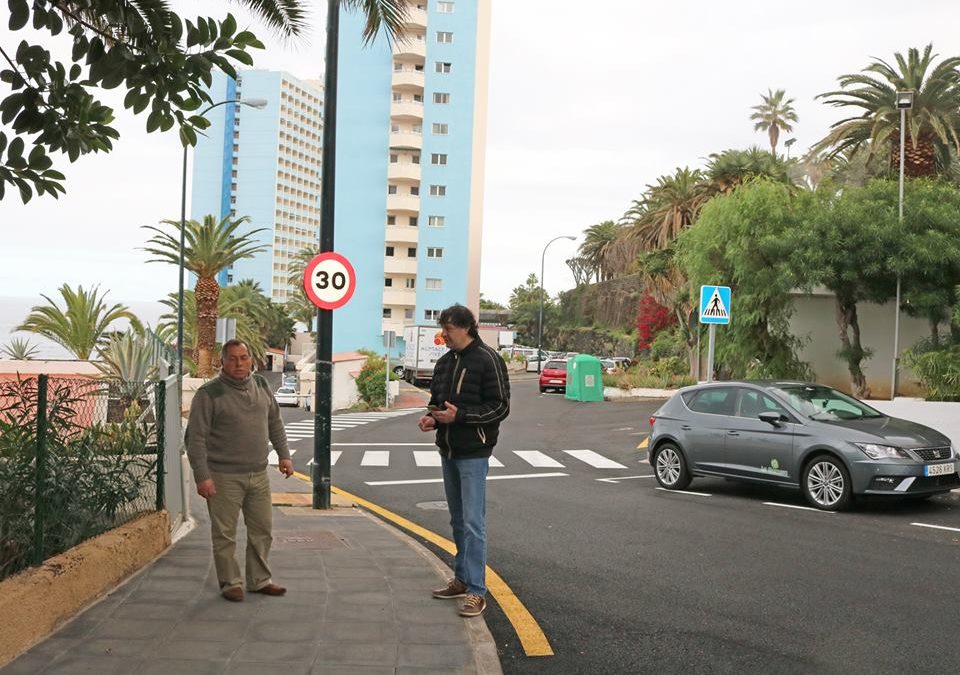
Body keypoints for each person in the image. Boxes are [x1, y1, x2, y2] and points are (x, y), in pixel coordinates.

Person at [418, 304, 510, 617]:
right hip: (448, 449)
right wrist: (432, 418)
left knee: (473, 523)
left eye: (448, 329)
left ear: (466, 328)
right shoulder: (445, 363)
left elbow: (500, 407)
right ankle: (461, 579)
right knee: (457, 520)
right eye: (442, 329)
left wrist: (462, 416)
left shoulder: (489, 360)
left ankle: (476, 591)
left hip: (474, 451)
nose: (443, 335)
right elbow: (436, 400)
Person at [186, 339, 294, 602]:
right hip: (223, 477)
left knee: (262, 530)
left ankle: (259, 580)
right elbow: (195, 439)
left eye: (243, 357)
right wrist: (203, 477)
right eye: (232, 358)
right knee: (224, 534)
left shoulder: (261, 385)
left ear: (251, 360)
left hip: (259, 474)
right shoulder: (209, 394)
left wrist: (284, 456)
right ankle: (230, 583)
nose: (238, 363)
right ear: (222, 362)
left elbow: (274, 422)